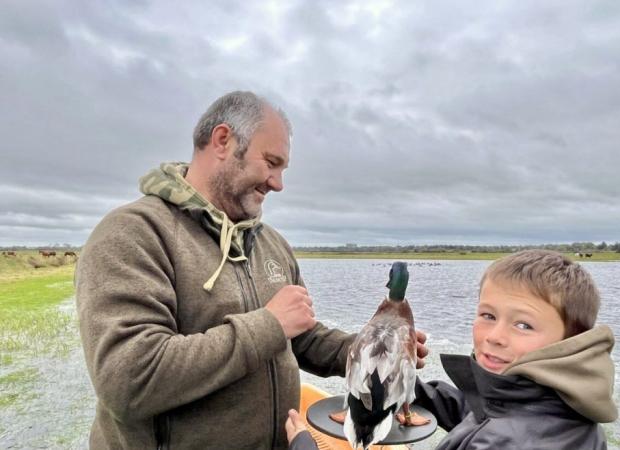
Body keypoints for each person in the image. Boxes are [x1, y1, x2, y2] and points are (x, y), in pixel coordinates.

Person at [76, 91, 429, 449]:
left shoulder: (270, 243)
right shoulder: (133, 234)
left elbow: (300, 338)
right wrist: (268, 325)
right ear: (223, 141)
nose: (278, 183)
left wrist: (372, 354)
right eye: (271, 162)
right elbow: (128, 379)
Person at [286, 249, 617, 449]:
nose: (495, 336)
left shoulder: (507, 442)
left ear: (571, 340)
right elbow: (482, 413)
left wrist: (305, 446)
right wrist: (396, 383)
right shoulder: (550, 403)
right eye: (488, 315)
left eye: (523, 325)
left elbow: (498, 429)